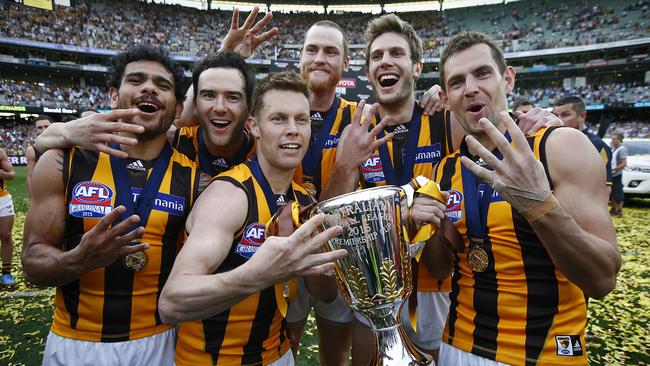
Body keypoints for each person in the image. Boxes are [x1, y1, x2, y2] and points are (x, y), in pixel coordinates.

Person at [433, 31, 621, 365]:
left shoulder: (561, 147)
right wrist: (428, 228)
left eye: (482, 73)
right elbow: (441, 268)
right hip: (456, 345)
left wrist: (538, 205)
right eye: (457, 81)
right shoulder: (446, 170)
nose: (471, 87)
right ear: (446, 98)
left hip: (544, 352)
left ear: (507, 79)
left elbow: (602, 278)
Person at [22, 45, 199, 365]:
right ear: (114, 96)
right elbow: (33, 263)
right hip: (76, 343)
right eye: (137, 80)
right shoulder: (64, 160)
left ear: (177, 110)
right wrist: (80, 258)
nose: (148, 88)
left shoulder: (194, 177)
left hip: (161, 342)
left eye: (162, 85)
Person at [158, 71, 347, 365]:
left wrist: (320, 260)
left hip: (278, 354)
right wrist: (258, 275)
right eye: (279, 119)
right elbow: (172, 302)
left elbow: (325, 294)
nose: (294, 130)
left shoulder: (304, 201)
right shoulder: (229, 196)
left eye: (302, 119)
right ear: (254, 127)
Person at [321, 14, 459, 365]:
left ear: (416, 67)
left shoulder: (444, 119)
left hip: (434, 285)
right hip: (376, 288)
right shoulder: (353, 127)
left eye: (397, 53)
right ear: (368, 73)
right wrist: (346, 164)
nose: (386, 61)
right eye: (377, 56)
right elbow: (332, 215)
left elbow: (495, 118)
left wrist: (541, 117)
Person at [171, 52, 256, 192]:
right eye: (209, 95)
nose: (219, 108)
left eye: (232, 97)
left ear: (249, 106)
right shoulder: (171, 144)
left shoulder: (265, 153)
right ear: (195, 104)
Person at [553, 96, 612, 198]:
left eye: (565, 115)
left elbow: (605, 188)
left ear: (582, 116)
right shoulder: (551, 142)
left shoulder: (597, 145)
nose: (558, 120)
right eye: (556, 115)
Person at [25, 114, 54, 195]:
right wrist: (32, 198)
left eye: (46, 126)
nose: (43, 129)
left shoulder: (63, 146)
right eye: (40, 127)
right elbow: (30, 176)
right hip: (43, 191)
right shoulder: (32, 150)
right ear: (36, 130)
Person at [0, 147, 16, 287]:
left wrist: (3, 173)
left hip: (2, 200)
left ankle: (6, 272)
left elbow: (12, 174)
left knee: (5, 235)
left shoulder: (0, 152)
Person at [609, 131, 628, 217]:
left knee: (618, 192)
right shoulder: (614, 149)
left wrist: (613, 169)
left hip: (616, 174)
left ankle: (619, 210)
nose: (612, 141)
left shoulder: (622, 149)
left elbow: (624, 163)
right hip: (612, 174)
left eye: (614, 139)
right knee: (612, 192)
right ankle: (614, 208)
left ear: (619, 139)